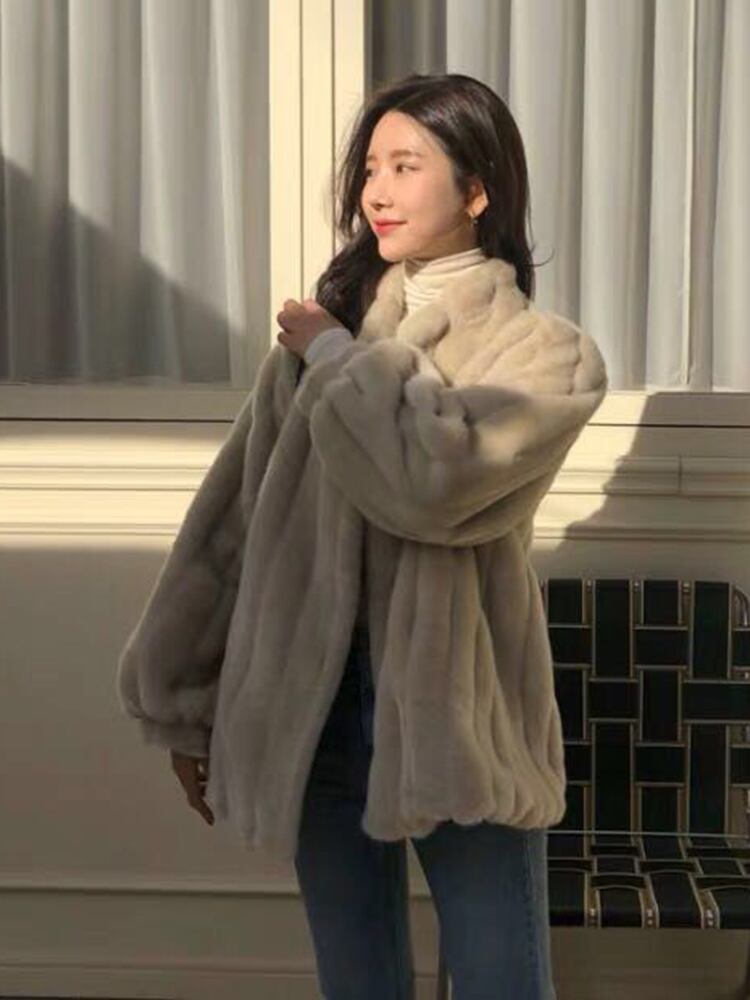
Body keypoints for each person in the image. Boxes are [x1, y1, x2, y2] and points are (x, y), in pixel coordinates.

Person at [117, 72, 608, 1000]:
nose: (376, 191)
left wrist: (337, 357)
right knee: (357, 981)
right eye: (370, 168)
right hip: (315, 709)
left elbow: (433, 484)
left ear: (477, 189)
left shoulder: (547, 355)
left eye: (406, 166)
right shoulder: (323, 336)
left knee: (502, 982)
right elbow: (233, 523)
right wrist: (186, 698)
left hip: (460, 719)